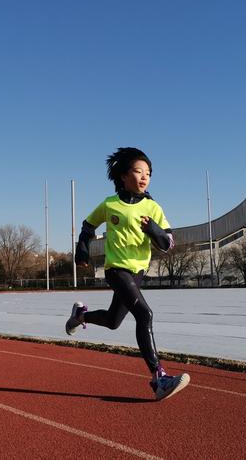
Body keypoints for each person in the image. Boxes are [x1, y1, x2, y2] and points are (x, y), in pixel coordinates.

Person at [66, 147, 190, 401]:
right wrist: (82, 251)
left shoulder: (152, 207)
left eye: (148, 173)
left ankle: (80, 315)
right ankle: (160, 378)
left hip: (138, 272)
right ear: (123, 176)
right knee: (145, 314)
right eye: (138, 171)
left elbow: (168, 243)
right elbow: (88, 225)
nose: (144, 177)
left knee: (113, 321)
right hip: (116, 270)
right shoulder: (110, 205)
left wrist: (154, 230)